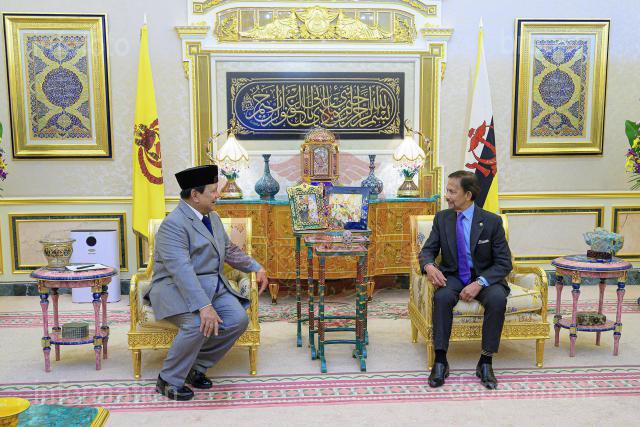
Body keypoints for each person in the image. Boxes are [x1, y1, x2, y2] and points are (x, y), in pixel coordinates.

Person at [146, 165, 269, 401]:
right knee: (196, 324)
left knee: (238, 319)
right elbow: (182, 271)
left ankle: (196, 366)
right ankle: (168, 379)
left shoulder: (212, 216)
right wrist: (204, 306)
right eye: (212, 191)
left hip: (213, 285)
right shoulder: (173, 224)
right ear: (195, 195)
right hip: (175, 287)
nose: (217, 195)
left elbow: (229, 250)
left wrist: (256, 267)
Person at [418, 170, 512, 390]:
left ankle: (485, 362)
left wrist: (479, 283)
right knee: (441, 298)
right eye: (447, 190)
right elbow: (427, 251)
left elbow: (504, 263)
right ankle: (441, 360)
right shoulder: (442, 218)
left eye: (452, 192)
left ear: (468, 195)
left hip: (485, 277)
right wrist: (429, 266)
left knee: (497, 299)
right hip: (453, 275)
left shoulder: (492, 222)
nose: (447, 196)